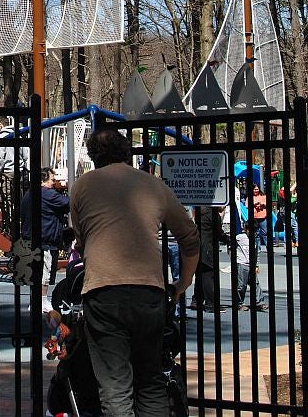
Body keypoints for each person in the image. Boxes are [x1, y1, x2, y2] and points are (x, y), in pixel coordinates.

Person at [70, 128, 199, 417]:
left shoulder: (82, 186)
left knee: (115, 385)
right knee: (150, 380)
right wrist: (182, 282)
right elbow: (189, 236)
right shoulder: (152, 185)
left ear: (93, 156)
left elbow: (82, 239)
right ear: (127, 152)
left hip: (102, 290)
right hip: (148, 290)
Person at [21, 166, 70, 313]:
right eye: (52, 180)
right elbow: (68, 203)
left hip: (30, 238)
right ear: (43, 181)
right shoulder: (47, 194)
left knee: (34, 273)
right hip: (46, 239)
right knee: (45, 273)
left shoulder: (29, 194)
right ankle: (42, 301)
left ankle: (34, 301)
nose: (54, 183)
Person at [0, 117, 29, 236]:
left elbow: (0, 158)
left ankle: (10, 224)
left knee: (6, 199)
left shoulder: (1, 137)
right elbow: (26, 155)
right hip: (19, 171)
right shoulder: (18, 136)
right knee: (18, 197)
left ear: (0, 124)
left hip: (7, 172)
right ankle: (19, 222)